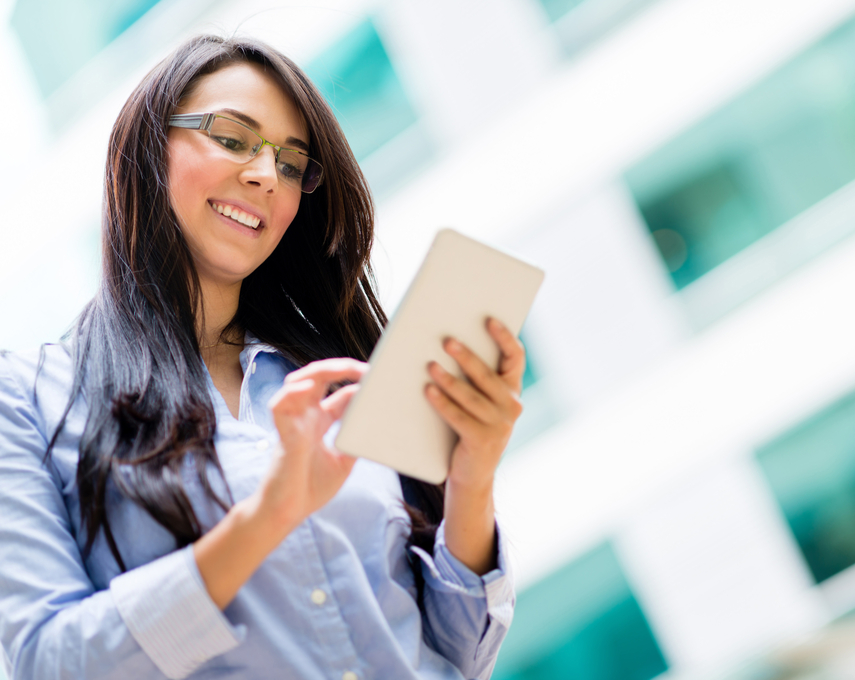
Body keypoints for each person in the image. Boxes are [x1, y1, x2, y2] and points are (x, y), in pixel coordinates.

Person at [0, 34, 523, 680]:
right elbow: (48, 661)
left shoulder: (333, 376)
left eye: (293, 164)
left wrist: (472, 479)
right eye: (232, 137)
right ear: (148, 147)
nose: (266, 176)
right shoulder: (28, 401)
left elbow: (460, 655)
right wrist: (270, 513)